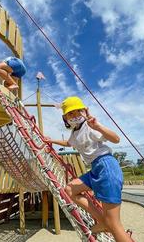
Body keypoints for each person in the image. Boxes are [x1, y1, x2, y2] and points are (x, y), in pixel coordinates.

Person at [46, 96, 131, 241]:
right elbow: (68, 143)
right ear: (65, 118)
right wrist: (51, 140)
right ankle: (102, 221)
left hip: (106, 167)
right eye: (70, 114)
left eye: (78, 111)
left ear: (85, 111)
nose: (74, 116)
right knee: (70, 190)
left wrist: (98, 126)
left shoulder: (90, 126)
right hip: (95, 169)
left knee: (114, 225)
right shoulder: (75, 132)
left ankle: (106, 223)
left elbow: (116, 139)